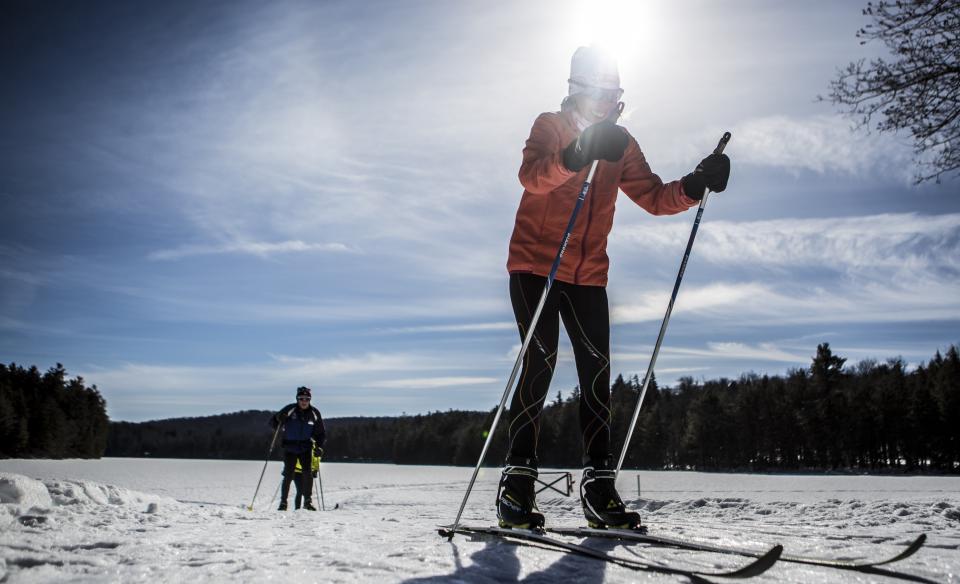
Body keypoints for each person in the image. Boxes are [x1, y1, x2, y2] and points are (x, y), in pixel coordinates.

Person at [498, 45, 729, 530]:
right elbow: (532, 178)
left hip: (588, 274)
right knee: (538, 362)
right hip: (535, 265)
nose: (607, 102)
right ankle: (515, 487)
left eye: (615, 93)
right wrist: (576, 154)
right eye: (599, 92)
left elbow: (652, 195)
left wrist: (695, 184)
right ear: (577, 90)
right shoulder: (550, 126)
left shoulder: (622, 143)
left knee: (597, 375)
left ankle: (599, 487)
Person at [272, 386, 326, 511]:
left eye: (306, 399)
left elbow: (320, 433)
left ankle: (308, 502)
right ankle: (283, 503)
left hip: (305, 447)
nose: (304, 401)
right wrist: (278, 419)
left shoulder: (314, 413)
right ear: (297, 399)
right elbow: (274, 422)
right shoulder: (290, 409)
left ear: (310, 400)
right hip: (290, 447)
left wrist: (319, 447)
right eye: (301, 399)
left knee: (308, 474)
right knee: (288, 474)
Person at [292, 445, 322, 510]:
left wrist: (315, 470)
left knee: (308, 491)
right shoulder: (301, 444)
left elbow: (317, 459)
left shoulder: (315, 448)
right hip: (297, 471)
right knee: (300, 490)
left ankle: (307, 505)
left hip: (308, 471)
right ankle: (297, 509)